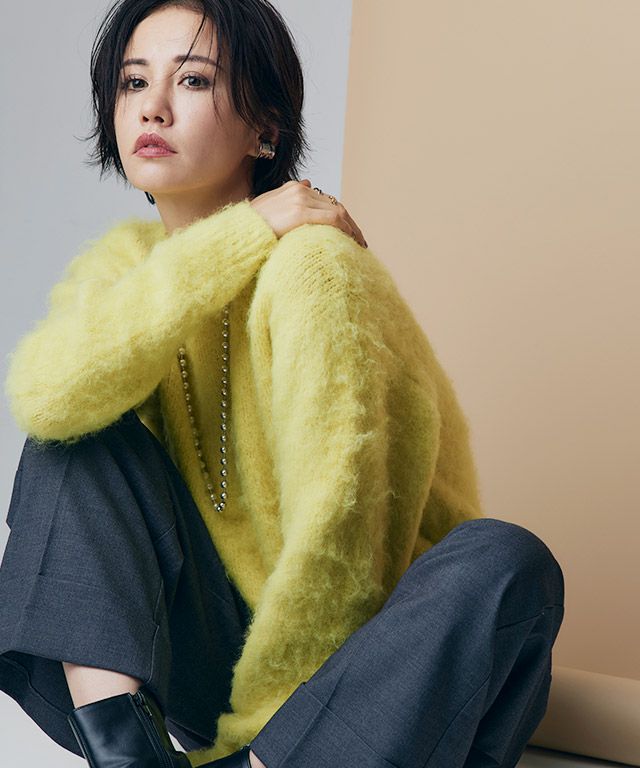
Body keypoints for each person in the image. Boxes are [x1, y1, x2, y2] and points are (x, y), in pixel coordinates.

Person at [0, 1, 565, 767]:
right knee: (74, 436)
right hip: (222, 662)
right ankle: (130, 757)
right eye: (133, 82)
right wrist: (241, 234)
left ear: (264, 132)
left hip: (374, 678)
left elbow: (342, 540)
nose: (153, 107)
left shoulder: (313, 266)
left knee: (507, 559)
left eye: (193, 80)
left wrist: (263, 744)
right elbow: (47, 396)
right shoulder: (127, 266)